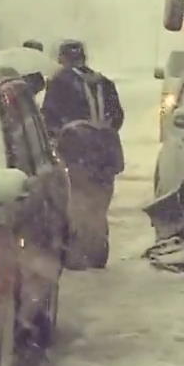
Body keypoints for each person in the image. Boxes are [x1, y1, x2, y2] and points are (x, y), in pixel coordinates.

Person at [42, 39, 124, 269]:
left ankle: (78, 254)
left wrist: (57, 137)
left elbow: (49, 116)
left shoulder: (59, 83)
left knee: (77, 201)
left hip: (77, 151)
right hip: (106, 153)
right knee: (98, 204)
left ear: (63, 58)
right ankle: (97, 251)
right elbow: (117, 117)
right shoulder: (104, 83)